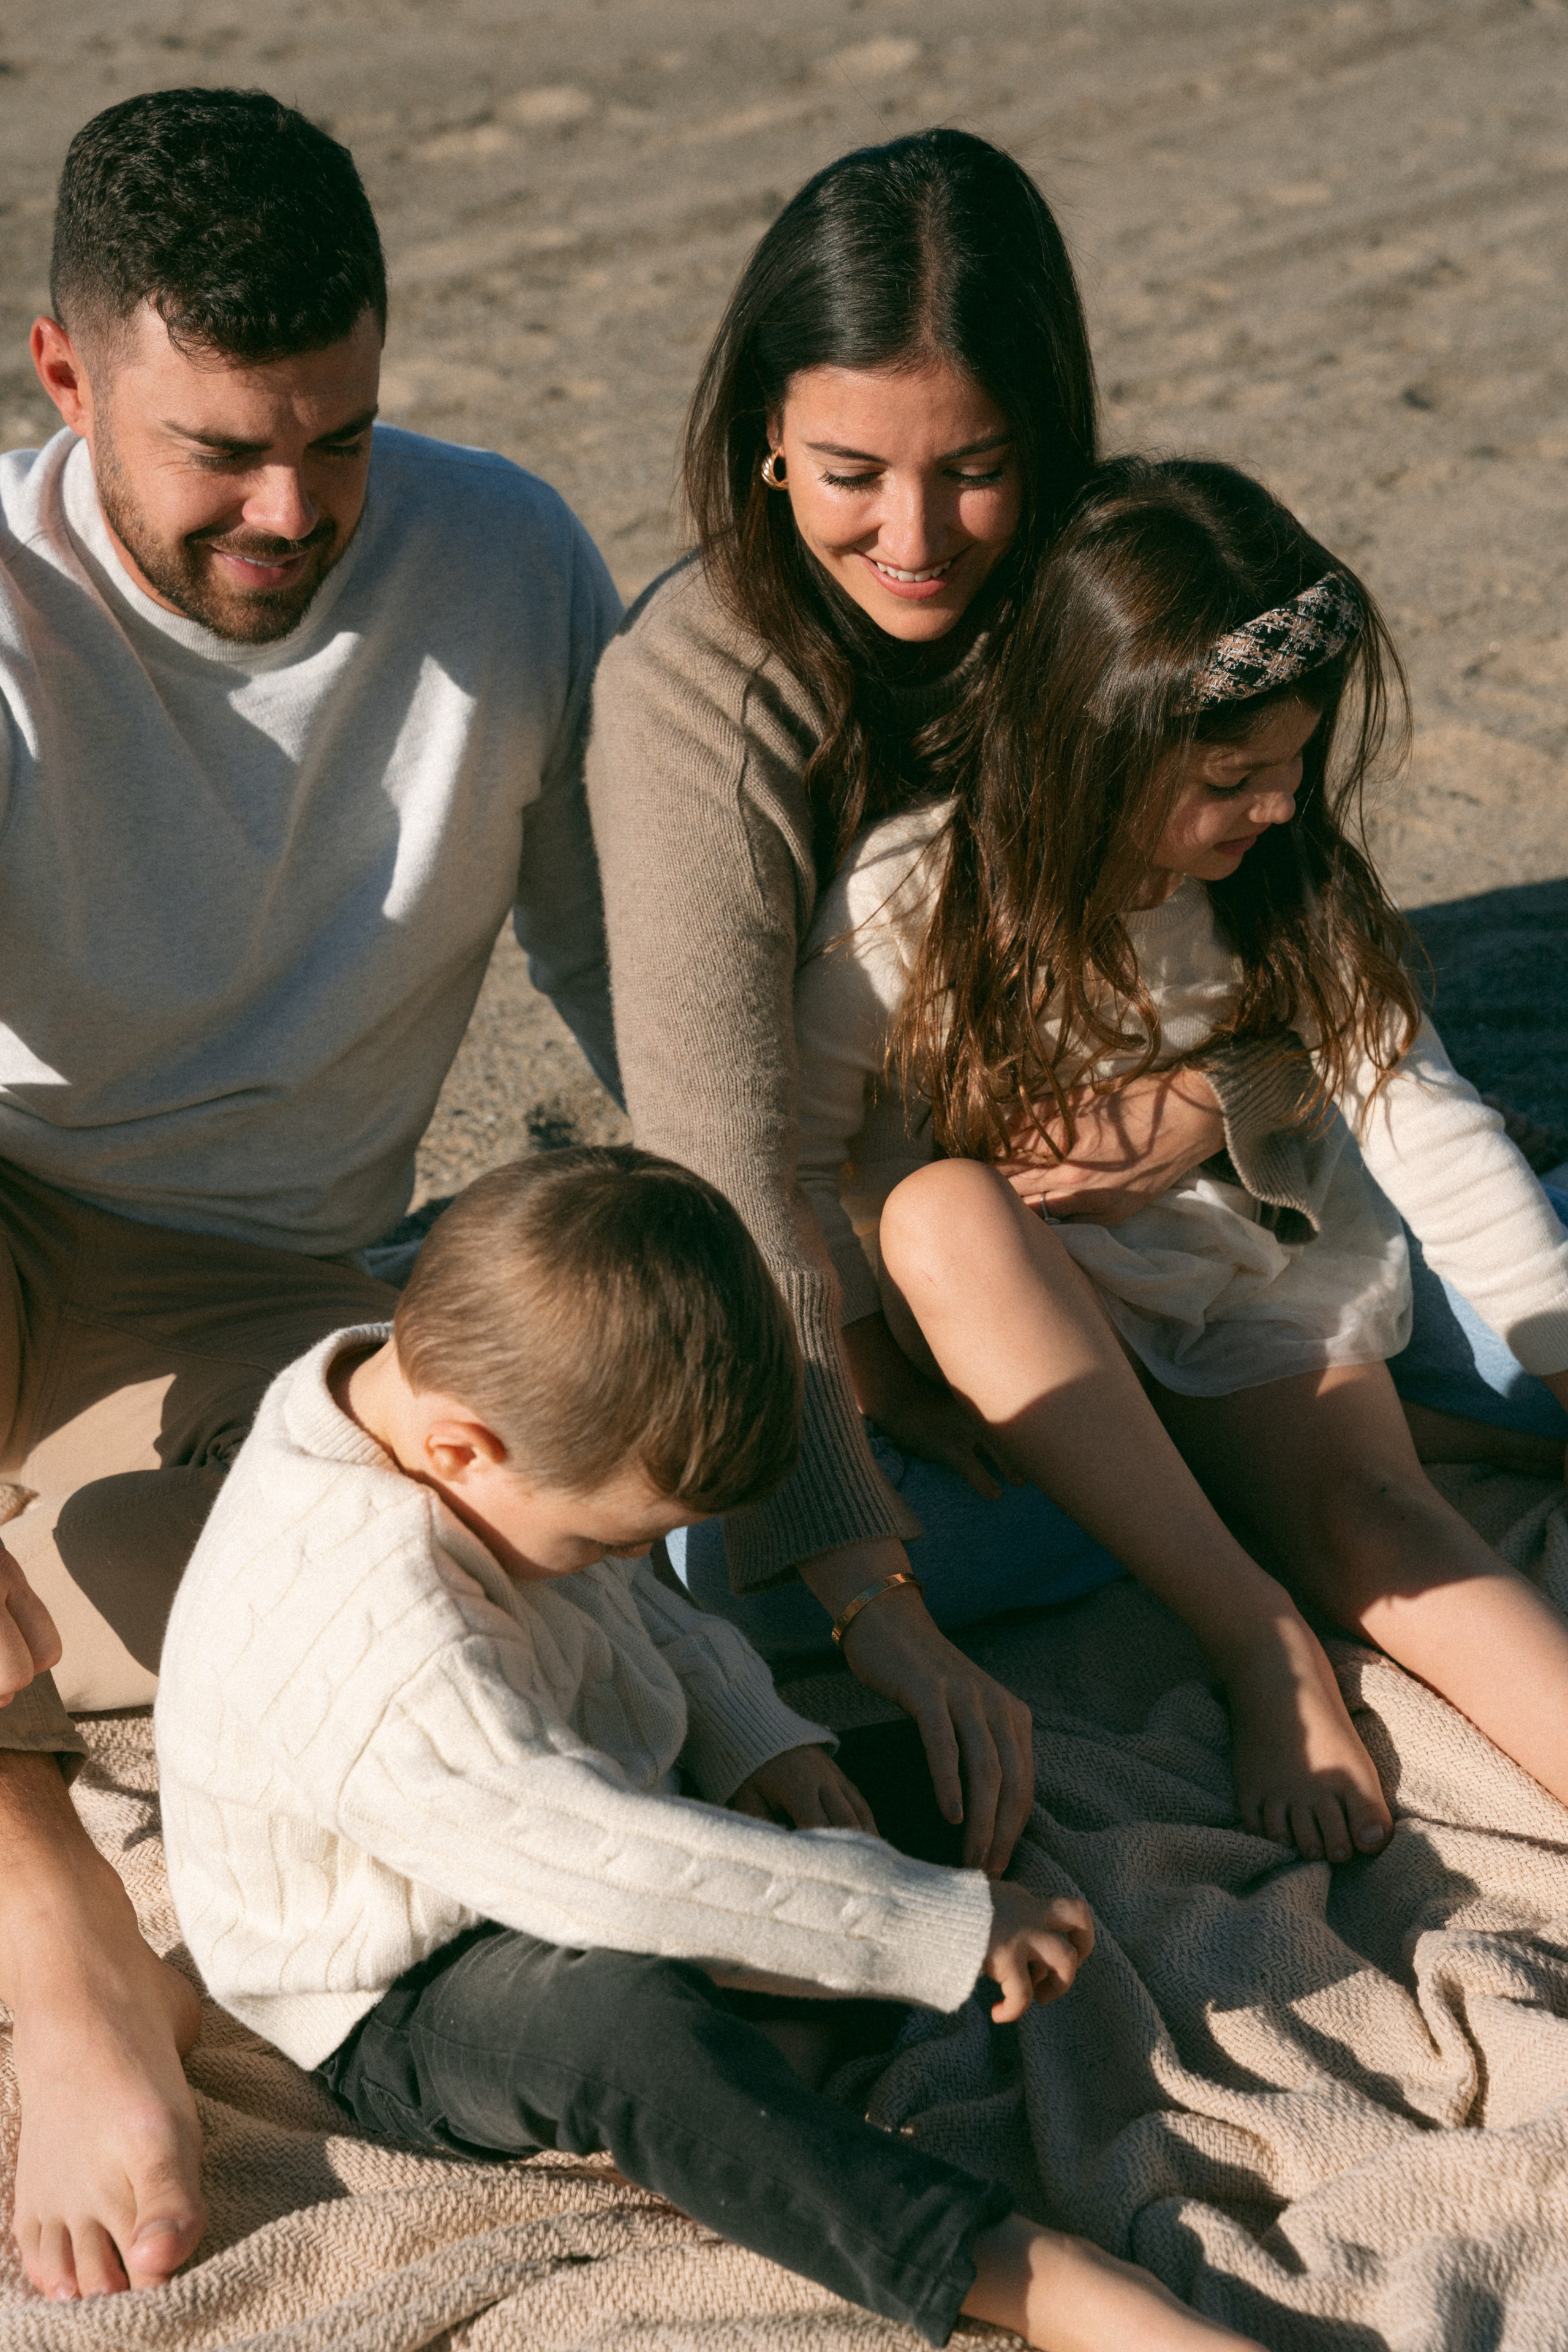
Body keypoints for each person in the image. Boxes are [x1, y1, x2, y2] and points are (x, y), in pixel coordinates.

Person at [587, 123, 1567, 1866]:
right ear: (760, 440)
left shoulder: (1118, 613)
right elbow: (750, 1167)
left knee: (1440, 1403)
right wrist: (873, 1490)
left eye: (974, 468)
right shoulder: (728, 728)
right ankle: (1234, 1555)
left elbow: (1361, 1047)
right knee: (702, 1562)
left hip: (1242, 1240)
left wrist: (1211, 1103)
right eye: (848, 472)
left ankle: (1311, 1473)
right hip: (932, 1315)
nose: (915, 535)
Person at [0, 89, 620, 2300]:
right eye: (221, 452)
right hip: (9, 1205)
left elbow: (653, 1013)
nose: (294, 509)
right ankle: (48, 1912)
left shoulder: (505, 554)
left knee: (422, 1644)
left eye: (339, 434)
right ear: (65, 377)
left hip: (271, 1280)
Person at [154, 1145, 1259, 2352]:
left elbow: (640, 1612)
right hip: (407, 1980)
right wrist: (924, 1927)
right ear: (463, 1450)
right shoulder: (377, 1641)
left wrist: (754, 1740)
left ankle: (773, 2030)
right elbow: (596, 1865)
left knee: (897, 1797)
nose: (625, 1564)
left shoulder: (446, 1395)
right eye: (601, 1539)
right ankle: (1024, 2278)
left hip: (567, 1796)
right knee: (627, 2035)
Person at [790, 454, 1568, 1863]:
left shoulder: (1284, 886)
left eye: (1291, 764)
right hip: (1016, 1329)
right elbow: (792, 1155)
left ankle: (1341, 1485)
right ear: (1090, 743)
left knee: (1377, 1516)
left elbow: (1429, 1129)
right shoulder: (909, 897)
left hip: (1239, 1272)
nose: (1275, 805)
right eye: (1230, 776)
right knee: (941, 1209)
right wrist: (878, 1379)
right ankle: (1253, 1633)